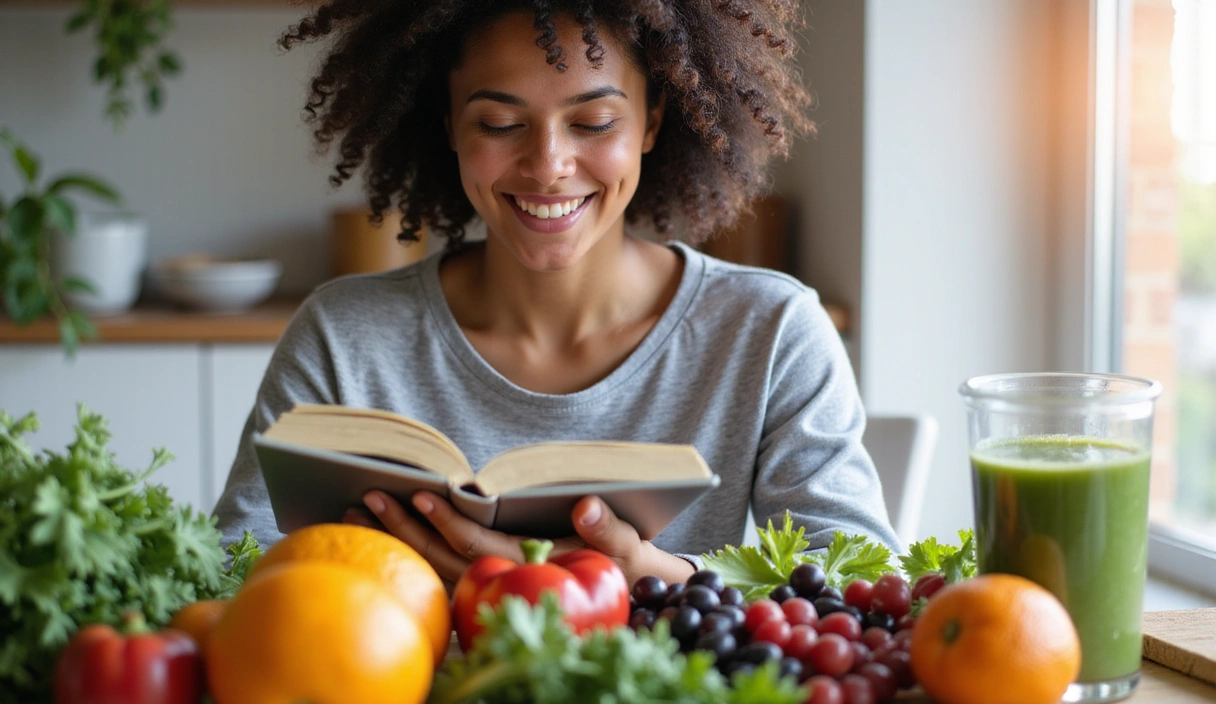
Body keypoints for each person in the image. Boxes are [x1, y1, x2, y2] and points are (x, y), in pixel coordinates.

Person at [214, 0, 900, 590]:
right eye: (499, 123)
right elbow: (228, 571)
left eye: (594, 122)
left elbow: (867, 585)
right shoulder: (342, 337)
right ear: (449, 123)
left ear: (652, 120)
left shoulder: (771, 331)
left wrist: (664, 582)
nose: (548, 165)